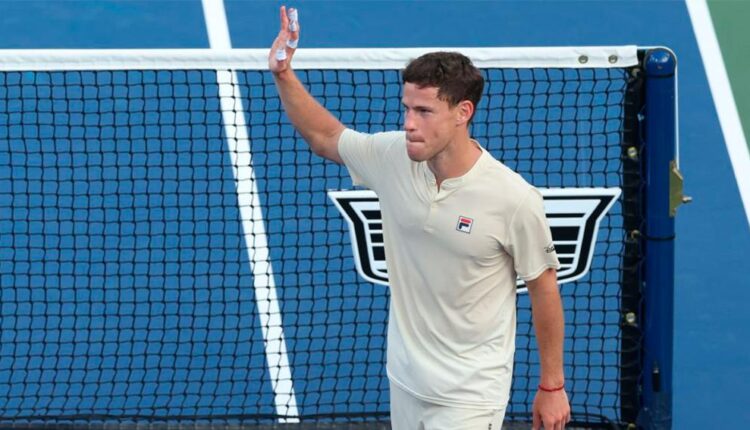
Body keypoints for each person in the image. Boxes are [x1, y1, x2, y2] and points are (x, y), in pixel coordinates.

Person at [268, 6, 571, 430]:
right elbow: (325, 137)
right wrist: (284, 74)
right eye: (407, 108)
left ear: (463, 112)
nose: (409, 123)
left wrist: (552, 386)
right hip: (406, 380)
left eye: (424, 112)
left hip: (469, 394)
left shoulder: (513, 199)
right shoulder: (393, 157)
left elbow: (543, 287)